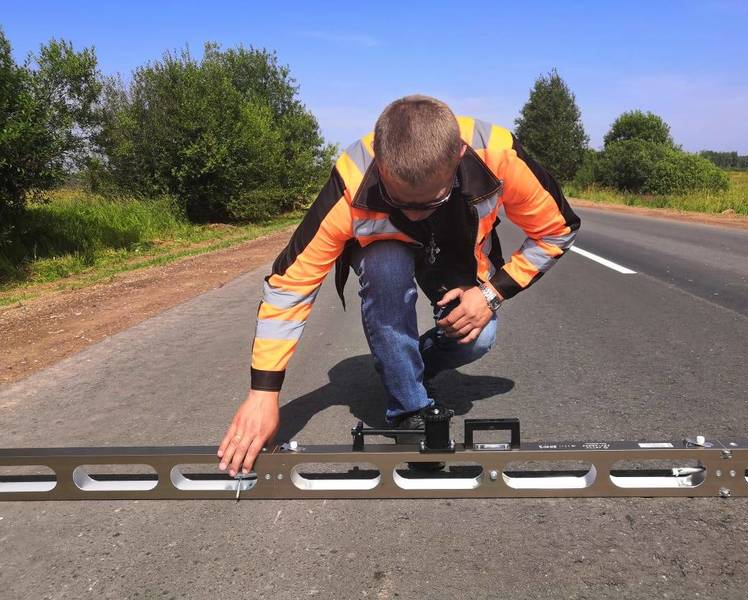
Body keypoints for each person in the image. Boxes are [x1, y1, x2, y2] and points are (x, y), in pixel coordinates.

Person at [217, 95, 580, 477]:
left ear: (457, 155)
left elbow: (557, 231)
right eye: (397, 200)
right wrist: (263, 394)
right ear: (381, 163)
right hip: (383, 250)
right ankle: (409, 410)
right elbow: (290, 286)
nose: (412, 214)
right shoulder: (353, 179)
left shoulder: (499, 154)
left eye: (428, 203)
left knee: (480, 337)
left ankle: (406, 363)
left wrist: (490, 294)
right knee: (385, 265)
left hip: (455, 248)